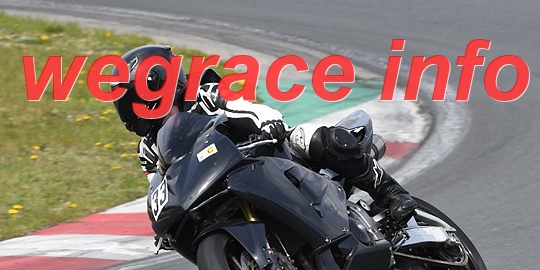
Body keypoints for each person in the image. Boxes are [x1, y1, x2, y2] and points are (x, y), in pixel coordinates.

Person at [112, 45, 416, 225]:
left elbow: (244, 108)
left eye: (136, 98)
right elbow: (160, 188)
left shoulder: (203, 94)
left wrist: (268, 123)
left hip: (262, 154)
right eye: (126, 102)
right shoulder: (147, 149)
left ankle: (390, 192)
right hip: (216, 189)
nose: (132, 108)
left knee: (309, 138)